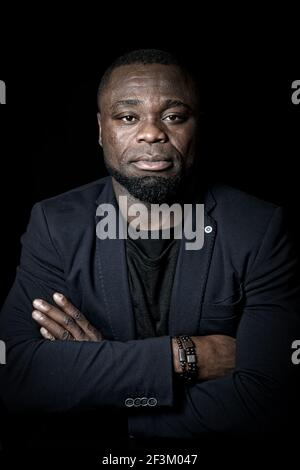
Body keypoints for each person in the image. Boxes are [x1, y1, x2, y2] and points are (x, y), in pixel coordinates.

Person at [0, 49, 299, 446]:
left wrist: (103, 398)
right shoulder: (55, 224)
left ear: (198, 126)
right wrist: (186, 357)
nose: (152, 133)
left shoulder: (258, 228)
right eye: (128, 117)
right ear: (101, 129)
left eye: (174, 117)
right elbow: (19, 375)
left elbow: (272, 398)